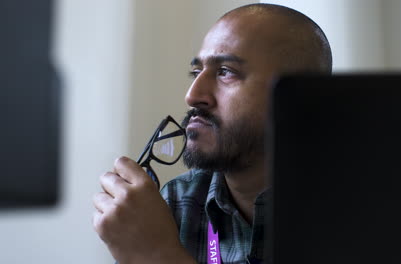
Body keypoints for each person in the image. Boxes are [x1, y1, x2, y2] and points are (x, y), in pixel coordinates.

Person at [92, 3, 332, 264]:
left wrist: (159, 254)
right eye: (196, 72)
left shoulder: (364, 208)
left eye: (225, 72)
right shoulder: (176, 203)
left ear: (297, 96)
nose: (192, 96)